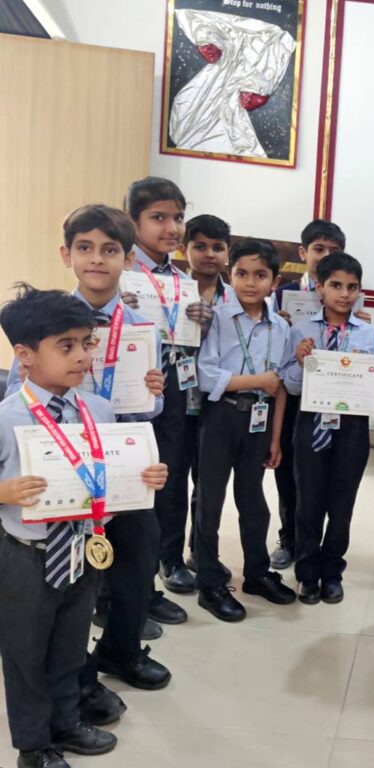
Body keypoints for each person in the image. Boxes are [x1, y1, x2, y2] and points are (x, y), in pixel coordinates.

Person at [0, 285, 167, 768]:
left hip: (84, 546)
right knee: (26, 653)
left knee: (71, 646)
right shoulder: (7, 418)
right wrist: (5, 491)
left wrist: (144, 476)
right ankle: (33, 746)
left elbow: (108, 474)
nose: (81, 356)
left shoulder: (98, 410)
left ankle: (67, 721)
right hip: (27, 557)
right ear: (25, 355)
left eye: (86, 343)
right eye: (66, 346)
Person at [282, 252, 374, 604]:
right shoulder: (302, 331)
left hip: (352, 428)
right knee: (308, 503)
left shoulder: (369, 335)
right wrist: (300, 361)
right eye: (336, 285)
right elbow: (290, 385)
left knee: (342, 504)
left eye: (352, 287)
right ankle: (307, 574)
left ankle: (332, 572)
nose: (344, 294)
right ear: (320, 287)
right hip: (311, 423)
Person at [195, 239, 295, 621]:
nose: (250, 283)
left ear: (275, 280)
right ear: (230, 274)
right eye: (241, 274)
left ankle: (256, 573)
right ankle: (209, 582)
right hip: (221, 416)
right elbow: (207, 375)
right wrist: (257, 380)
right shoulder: (219, 318)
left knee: (253, 499)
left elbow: (280, 386)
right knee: (210, 500)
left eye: (260, 275)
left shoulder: (281, 327)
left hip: (260, 419)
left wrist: (276, 438)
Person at [125, 176, 206, 628]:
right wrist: (118, 307)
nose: (172, 228)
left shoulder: (182, 281)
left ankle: (163, 566)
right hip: (128, 392)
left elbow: (188, 340)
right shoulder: (118, 273)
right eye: (158, 217)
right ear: (133, 221)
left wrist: (202, 322)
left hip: (175, 388)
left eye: (177, 217)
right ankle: (119, 591)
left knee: (169, 478)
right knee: (128, 484)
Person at [271, 219, 354, 572]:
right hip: (294, 394)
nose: (325, 256)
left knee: (328, 480)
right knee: (290, 472)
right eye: (319, 249)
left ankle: (321, 547)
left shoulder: (349, 295)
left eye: (334, 250)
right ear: (304, 253)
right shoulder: (281, 293)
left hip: (335, 396)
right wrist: (280, 323)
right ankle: (289, 538)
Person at [176, 214, 235, 586]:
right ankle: (169, 558)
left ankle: (201, 551)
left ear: (228, 253)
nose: (209, 254)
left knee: (209, 482)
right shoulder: (171, 290)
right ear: (185, 249)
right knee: (173, 481)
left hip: (218, 402)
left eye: (217, 247)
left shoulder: (238, 297)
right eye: (200, 246)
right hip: (176, 398)